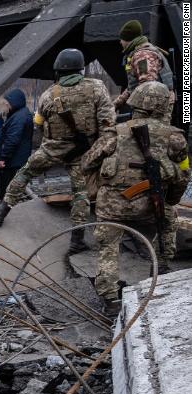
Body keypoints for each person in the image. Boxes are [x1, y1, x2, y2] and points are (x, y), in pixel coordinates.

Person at [0, 48, 116, 256]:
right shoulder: (97, 88)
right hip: (84, 151)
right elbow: (108, 125)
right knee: (80, 193)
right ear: (80, 69)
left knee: (24, 173)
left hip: (52, 149)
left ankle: (1, 212)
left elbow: (39, 124)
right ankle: (77, 240)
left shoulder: (48, 95)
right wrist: (95, 153)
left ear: (58, 70)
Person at [80, 82, 188, 314]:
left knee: (108, 248)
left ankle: (110, 299)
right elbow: (184, 176)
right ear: (163, 106)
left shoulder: (115, 132)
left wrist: (100, 182)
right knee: (169, 222)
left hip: (111, 205)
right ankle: (161, 272)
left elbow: (87, 162)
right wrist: (170, 200)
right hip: (150, 204)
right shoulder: (175, 137)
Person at [113, 20, 174, 111]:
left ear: (128, 39)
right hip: (153, 105)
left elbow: (148, 87)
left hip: (154, 109)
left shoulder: (142, 55)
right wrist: (116, 103)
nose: (120, 42)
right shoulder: (139, 52)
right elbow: (133, 87)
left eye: (121, 39)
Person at [0, 89, 33, 202]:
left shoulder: (19, 118)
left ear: (15, 102)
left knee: (6, 187)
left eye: (8, 102)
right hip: (17, 158)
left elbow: (12, 140)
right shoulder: (21, 113)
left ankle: (6, 210)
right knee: (14, 187)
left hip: (13, 160)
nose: (6, 104)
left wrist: (3, 158)